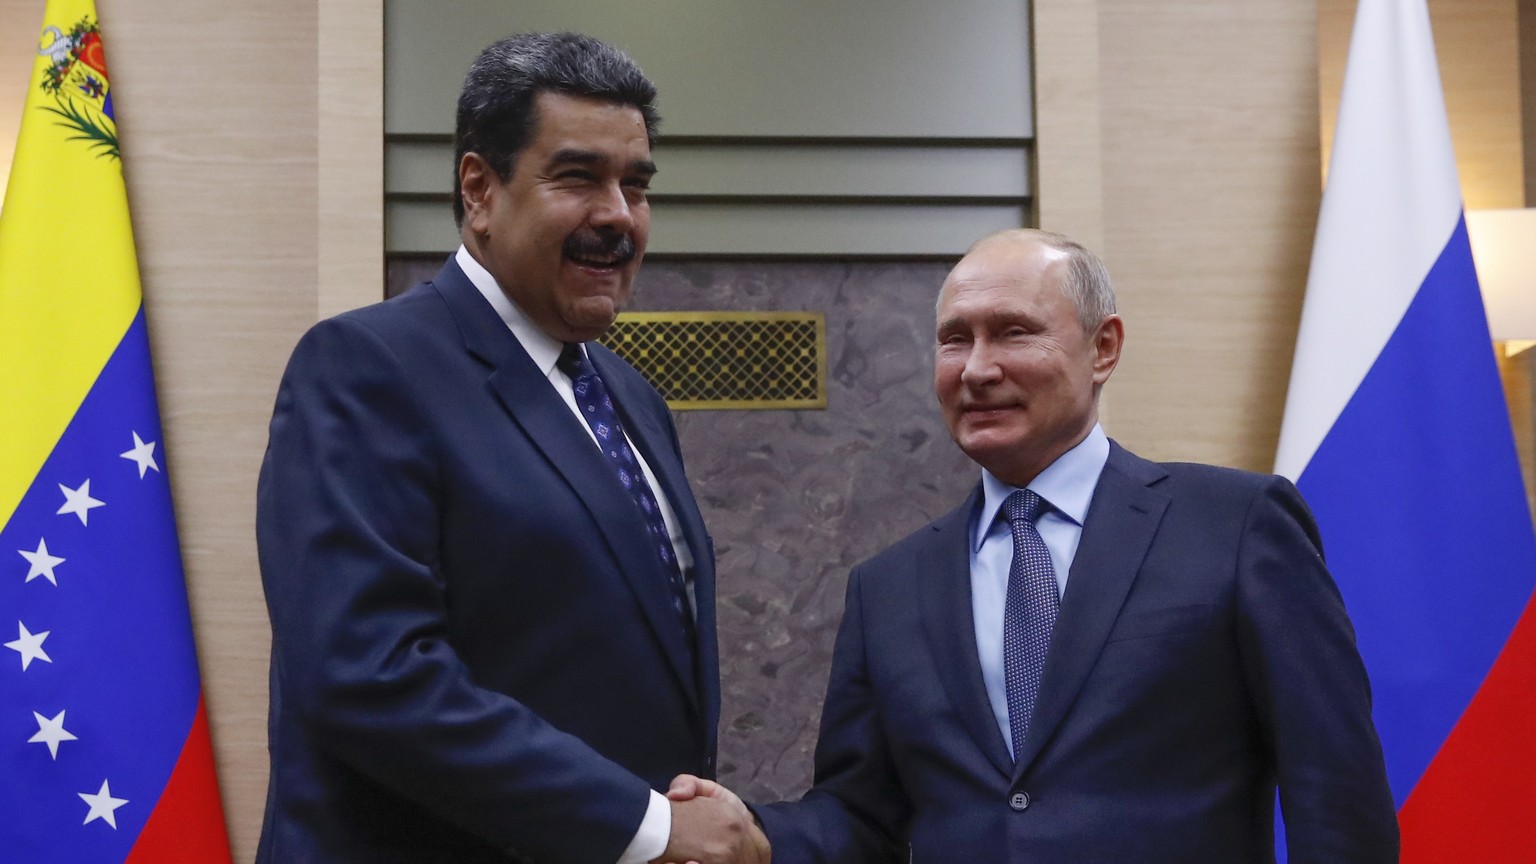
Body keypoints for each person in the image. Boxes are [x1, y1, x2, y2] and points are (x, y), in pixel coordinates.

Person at [675, 228, 1398, 862]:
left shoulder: (1235, 526)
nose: (978, 369)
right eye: (955, 339)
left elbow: (1335, 791)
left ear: (1103, 347)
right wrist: (756, 836)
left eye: (1014, 332)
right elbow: (861, 818)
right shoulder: (888, 587)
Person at [256, 33, 767, 864]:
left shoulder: (630, 396)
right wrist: (646, 827)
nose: (617, 216)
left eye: (636, 186)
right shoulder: (365, 368)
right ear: (479, 189)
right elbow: (368, 675)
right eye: (578, 178)